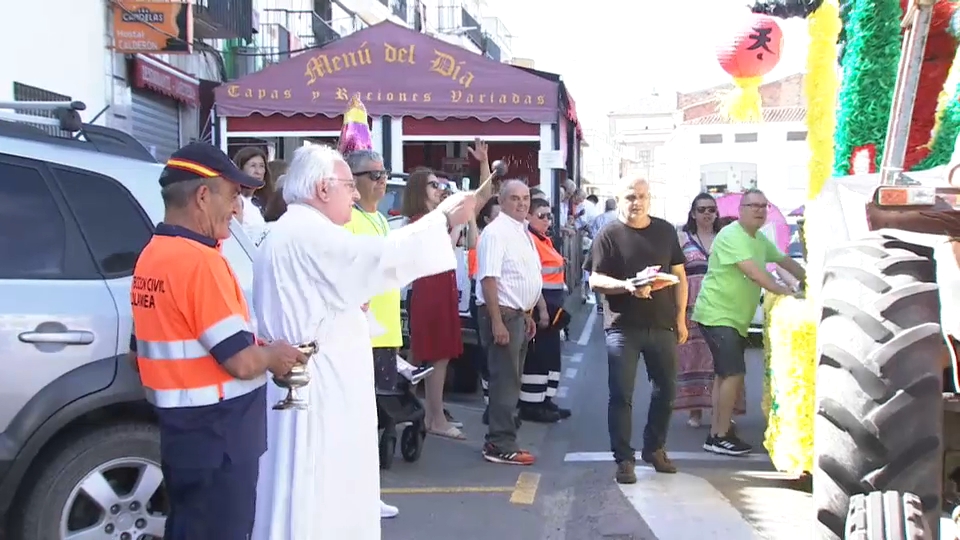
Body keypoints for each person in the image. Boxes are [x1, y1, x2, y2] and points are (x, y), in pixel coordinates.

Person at [251, 144, 476, 540]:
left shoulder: (294, 229)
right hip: (318, 386)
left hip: (312, 377)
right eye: (347, 186)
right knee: (319, 487)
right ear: (323, 189)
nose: (355, 194)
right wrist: (442, 218)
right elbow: (380, 258)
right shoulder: (308, 232)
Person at [129, 142, 305, 540]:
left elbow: (136, 354)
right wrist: (275, 356)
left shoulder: (152, 257)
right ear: (203, 196)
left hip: (182, 435)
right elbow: (240, 362)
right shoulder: (200, 262)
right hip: (220, 439)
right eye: (232, 194)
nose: (237, 206)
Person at [693, 189, 806, 456]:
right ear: (741, 209)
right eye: (752, 205)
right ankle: (719, 435)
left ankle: (717, 432)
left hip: (733, 317)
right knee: (733, 373)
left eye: (763, 206)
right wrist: (790, 293)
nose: (758, 210)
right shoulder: (732, 235)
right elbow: (757, 275)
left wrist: (811, 279)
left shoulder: (759, 239)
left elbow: (785, 261)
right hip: (718, 314)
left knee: (725, 375)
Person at [589, 176, 686, 484]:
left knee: (667, 391)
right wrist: (628, 286)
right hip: (622, 327)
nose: (637, 202)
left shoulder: (665, 231)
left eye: (642, 196)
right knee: (621, 395)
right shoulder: (609, 234)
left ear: (650, 199)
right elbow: (594, 280)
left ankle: (654, 448)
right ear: (620, 199)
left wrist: (682, 318)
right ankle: (623, 459)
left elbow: (679, 276)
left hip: (662, 324)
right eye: (631, 196)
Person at [342, 148, 402, 520]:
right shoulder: (349, 220)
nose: (381, 182)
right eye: (374, 175)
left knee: (375, 420)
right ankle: (358, 494)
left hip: (385, 332)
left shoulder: (378, 218)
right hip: (362, 334)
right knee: (362, 419)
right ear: (355, 182)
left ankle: (368, 492)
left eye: (384, 174)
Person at [476, 179, 546, 465]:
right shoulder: (496, 233)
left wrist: (528, 313)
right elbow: (489, 278)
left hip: (517, 314)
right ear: (501, 202)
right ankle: (500, 442)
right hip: (502, 314)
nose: (522, 203)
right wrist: (497, 322)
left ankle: (502, 436)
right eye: (514, 198)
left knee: (512, 380)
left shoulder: (521, 231)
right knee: (505, 381)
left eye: (525, 198)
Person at [674, 194, 745, 428]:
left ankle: (723, 412)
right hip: (691, 307)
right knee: (693, 359)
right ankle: (695, 411)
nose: (707, 214)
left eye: (711, 210)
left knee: (722, 359)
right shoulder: (682, 238)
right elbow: (675, 274)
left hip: (722, 306)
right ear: (693, 213)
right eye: (702, 209)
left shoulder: (725, 237)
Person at [519, 198, 572, 423]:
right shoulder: (529, 239)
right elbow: (533, 277)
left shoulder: (543, 240)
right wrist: (541, 309)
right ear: (528, 217)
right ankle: (532, 405)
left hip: (553, 301)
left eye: (550, 216)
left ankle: (545, 400)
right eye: (542, 215)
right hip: (540, 303)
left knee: (551, 356)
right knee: (538, 356)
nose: (547, 220)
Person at [470, 197, 500, 419]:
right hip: (484, 303)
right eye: (497, 217)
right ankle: (491, 405)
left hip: (505, 305)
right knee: (489, 356)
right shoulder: (483, 239)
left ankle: (500, 406)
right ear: (487, 220)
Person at [233, 147, 271, 242]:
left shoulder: (262, 202)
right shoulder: (236, 201)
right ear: (240, 169)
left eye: (261, 166)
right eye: (253, 166)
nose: (258, 171)